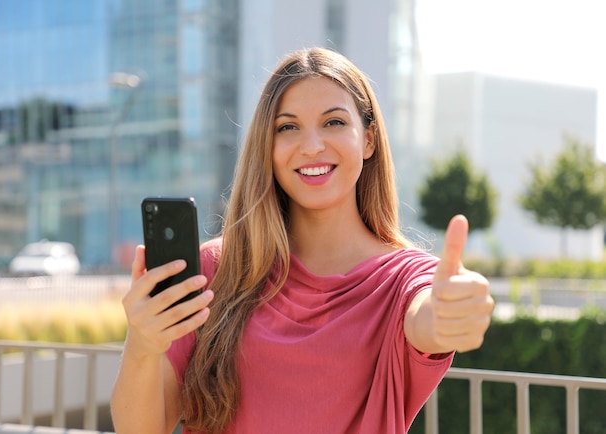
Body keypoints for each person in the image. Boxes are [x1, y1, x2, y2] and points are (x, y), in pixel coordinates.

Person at [111, 47, 495, 434]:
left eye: (333, 122)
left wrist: (449, 314)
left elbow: (426, 317)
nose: (311, 146)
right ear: (267, 147)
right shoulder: (215, 269)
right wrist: (142, 345)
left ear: (368, 140)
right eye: (287, 127)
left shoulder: (406, 280)